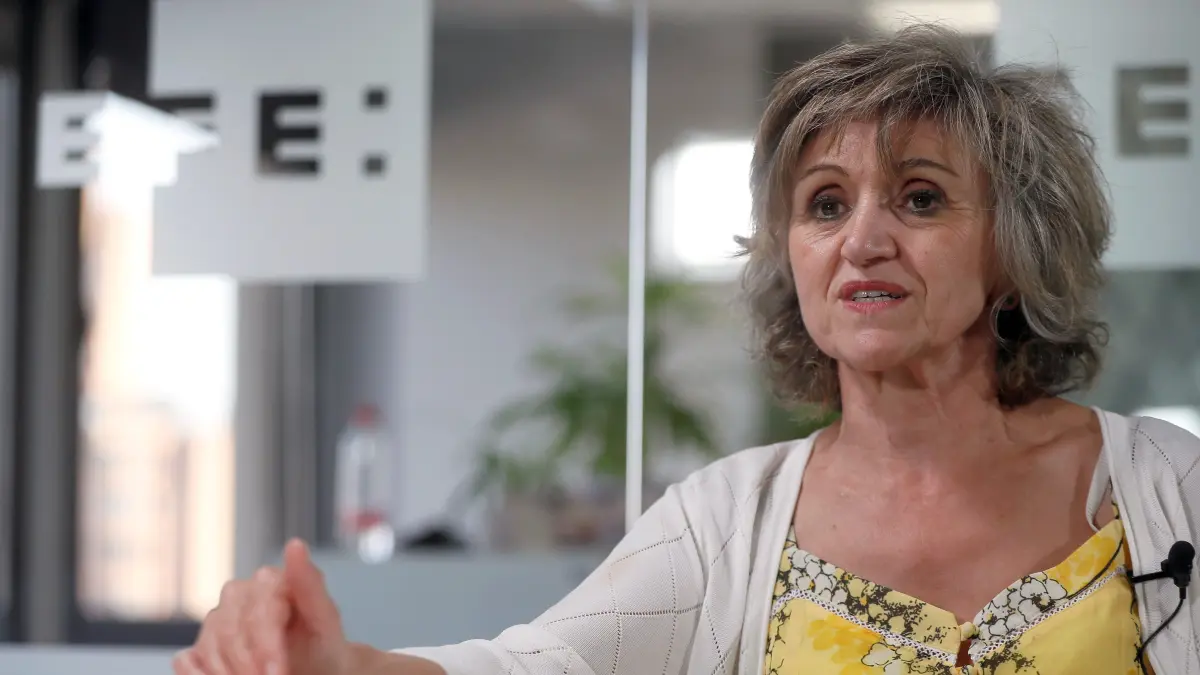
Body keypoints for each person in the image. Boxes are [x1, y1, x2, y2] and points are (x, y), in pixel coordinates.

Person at [174, 24, 1200, 675]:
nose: (862, 239)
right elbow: (538, 666)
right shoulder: (728, 522)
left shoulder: (1162, 488)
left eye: (920, 198)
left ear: (1013, 250)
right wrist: (341, 667)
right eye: (825, 204)